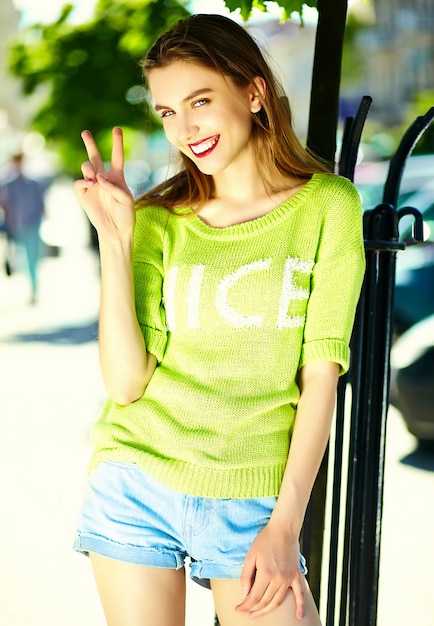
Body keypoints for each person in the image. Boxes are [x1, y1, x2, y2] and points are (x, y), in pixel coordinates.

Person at [73, 14, 365, 626]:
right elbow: (126, 385)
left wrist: (286, 525)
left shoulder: (327, 206)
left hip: (251, 497)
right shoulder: (158, 220)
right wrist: (115, 241)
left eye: (199, 101)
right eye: (167, 112)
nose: (185, 128)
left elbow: (321, 378)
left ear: (254, 92)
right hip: (137, 481)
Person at [0, 152, 45, 303]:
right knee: (21, 259)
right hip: (17, 227)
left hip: (32, 225)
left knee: (32, 258)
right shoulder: (8, 185)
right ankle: (30, 286)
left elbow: (41, 205)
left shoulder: (32, 184)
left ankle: (34, 288)